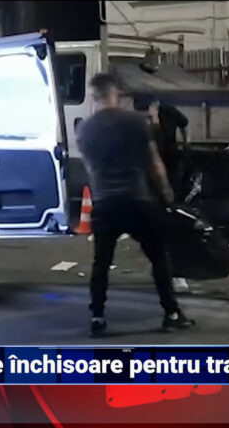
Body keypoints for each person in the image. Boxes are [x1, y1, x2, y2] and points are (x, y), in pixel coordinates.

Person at [77, 73, 195, 337]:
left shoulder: (84, 129)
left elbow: (89, 169)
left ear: (94, 96)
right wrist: (166, 193)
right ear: (116, 93)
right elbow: (154, 163)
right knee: (158, 258)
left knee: (101, 263)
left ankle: (97, 317)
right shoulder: (135, 122)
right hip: (137, 200)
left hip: (105, 203)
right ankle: (171, 314)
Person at [139, 94, 192, 294]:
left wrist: (186, 143)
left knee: (171, 221)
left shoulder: (169, 113)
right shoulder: (142, 122)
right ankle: (161, 265)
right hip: (153, 176)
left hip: (170, 170)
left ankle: (177, 273)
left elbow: (184, 124)